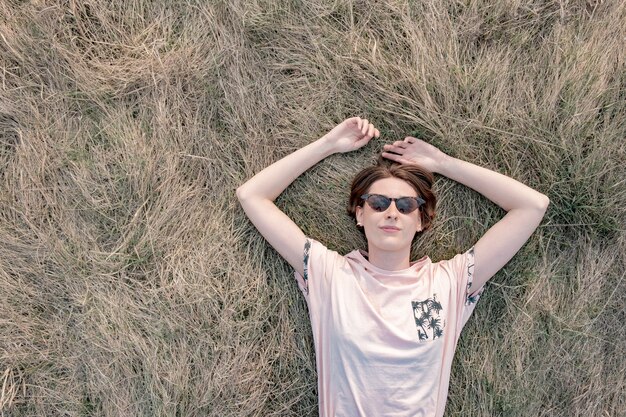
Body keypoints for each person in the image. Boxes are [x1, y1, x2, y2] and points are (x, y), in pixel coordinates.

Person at [236, 117, 549, 417]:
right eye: (378, 203)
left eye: (405, 206)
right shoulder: (331, 275)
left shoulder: (448, 284)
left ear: (421, 220)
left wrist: (442, 163)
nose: (391, 213)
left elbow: (531, 206)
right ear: (360, 214)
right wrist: (328, 144)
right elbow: (252, 195)